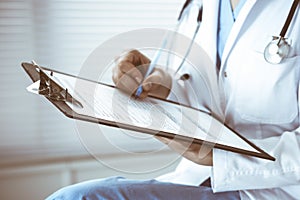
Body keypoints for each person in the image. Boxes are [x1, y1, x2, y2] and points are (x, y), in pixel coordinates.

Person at [46, 0, 300, 199]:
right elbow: (209, 90)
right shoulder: (201, 5)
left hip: (274, 190)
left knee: (77, 198)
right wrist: (162, 86)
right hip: (196, 179)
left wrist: (220, 157)